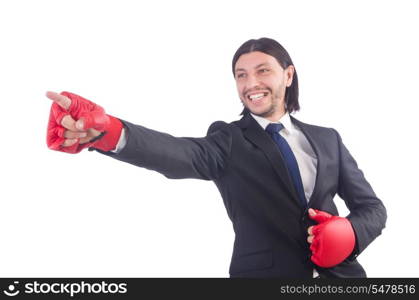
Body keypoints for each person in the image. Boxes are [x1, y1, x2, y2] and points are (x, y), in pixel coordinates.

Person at [45, 37, 386, 278]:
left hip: (341, 280)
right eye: (241, 74)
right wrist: (109, 131)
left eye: (263, 70)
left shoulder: (328, 139)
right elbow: (178, 153)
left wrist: (351, 234)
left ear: (288, 75)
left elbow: (372, 208)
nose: (250, 82)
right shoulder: (229, 139)